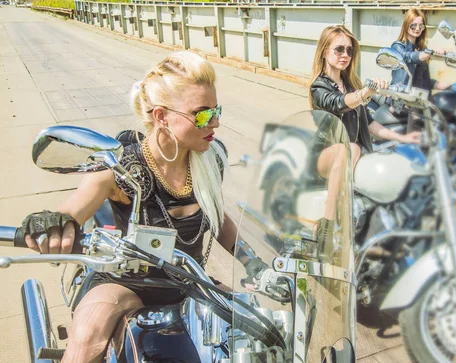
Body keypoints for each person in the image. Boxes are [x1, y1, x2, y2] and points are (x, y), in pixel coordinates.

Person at [18, 51, 270, 362]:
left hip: (188, 281)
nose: (215, 122)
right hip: (127, 283)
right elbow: (77, 206)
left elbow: (218, 219)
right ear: (162, 116)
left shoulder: (210, 158)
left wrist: (255, 263)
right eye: (202, 114)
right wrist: (54, 222)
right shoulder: (125, 164)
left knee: (261, 329)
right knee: (86, 340)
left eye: (217, 110)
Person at [308, 25, 420, 243]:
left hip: (353, 153)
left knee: (388, 159)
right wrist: (366, 92)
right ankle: (327, 223)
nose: (345, 55)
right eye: (339, 49)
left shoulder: (351, 84)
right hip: (326, 156)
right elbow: (338, 104)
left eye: (349, 50)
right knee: (349, 147)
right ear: (324, 51)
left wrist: (403, 138)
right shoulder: (318, 86)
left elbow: (369, 123)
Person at [391, 8, 450, 93]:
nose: (417, 29)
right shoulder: (397, 46)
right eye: (413, 25)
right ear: (406, 25)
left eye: (421, 26)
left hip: (417, 100)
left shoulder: (422, 49)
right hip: (399, 99)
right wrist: (431, 52)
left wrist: (449, 87)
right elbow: (409, 57)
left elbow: (424, 81)